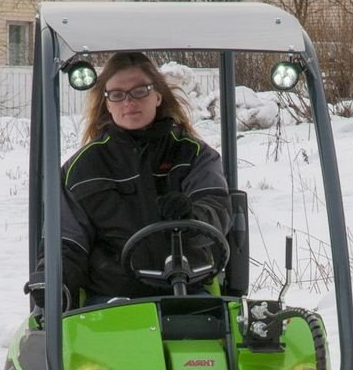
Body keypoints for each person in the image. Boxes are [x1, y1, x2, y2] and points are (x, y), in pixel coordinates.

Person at [36, 52, 232, 307]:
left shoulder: (193, 155)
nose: (129, 101)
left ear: (158, 95)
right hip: (111, 300)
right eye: (117, 94)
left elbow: (216, 209)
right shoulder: (82, 169)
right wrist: (56, 282)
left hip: (186, 291)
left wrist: (191, 216)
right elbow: (67, 240)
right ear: (107, 103)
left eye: (140, 91)